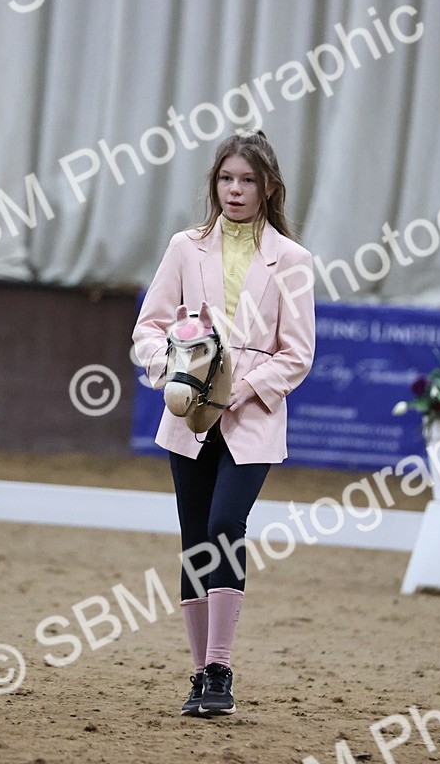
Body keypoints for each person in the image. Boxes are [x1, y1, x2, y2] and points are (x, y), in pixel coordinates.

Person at [131, 130, 316, 717]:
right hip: (188, 417)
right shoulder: (186, 247)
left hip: (252, 417)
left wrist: (239, 389)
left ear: (269, 188)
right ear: (215, 184)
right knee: (194, 544)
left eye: (248, 181)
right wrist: (175, 376)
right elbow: (148, 329)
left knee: (224, 524)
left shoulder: (293, 260)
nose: (236, 190)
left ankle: (220, 667)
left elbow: (298, 353)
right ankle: (199, 678)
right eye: (227, 179)